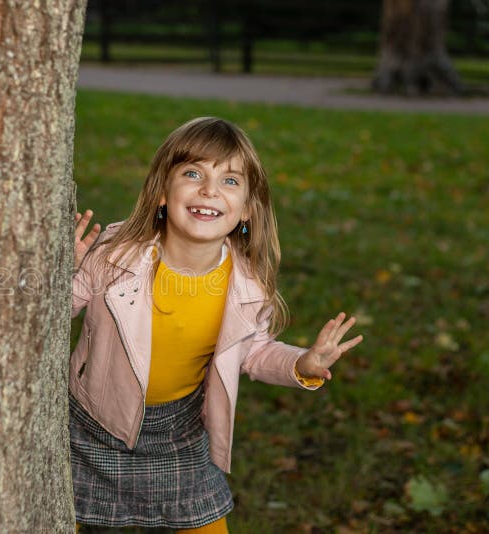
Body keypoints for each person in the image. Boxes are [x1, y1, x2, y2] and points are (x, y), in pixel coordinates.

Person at [70, 117, 363, 533]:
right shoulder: (115, 256)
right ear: (161, 193)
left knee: (205, 525)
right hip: (93, 423)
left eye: (229, 181)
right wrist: (68, 268)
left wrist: (303, 364)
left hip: (179, 429)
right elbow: (54, 312)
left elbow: (255, 352)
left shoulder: (246, 285)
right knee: (71, 517)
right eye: (193, 174)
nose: (209, 190)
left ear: (246, 209)